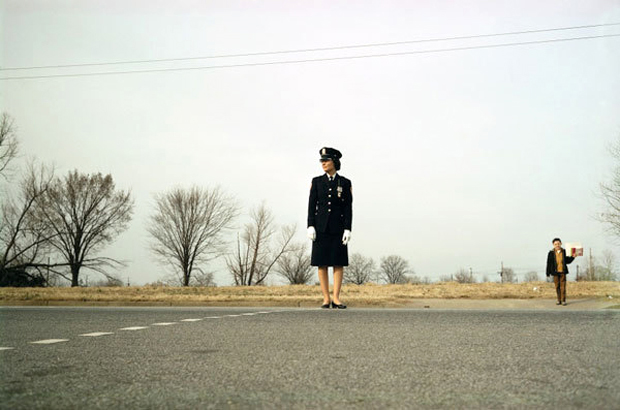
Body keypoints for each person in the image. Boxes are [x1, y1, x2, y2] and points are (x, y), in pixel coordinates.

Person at [307, 147, 353, 309]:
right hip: (320, 227)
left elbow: (348, 207)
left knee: (338, 262)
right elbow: (311, 205)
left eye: (326, 160)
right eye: (322, 161)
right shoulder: (317, 181)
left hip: (338, 227)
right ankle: (326, 298)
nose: (323, 163)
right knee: (322, 263)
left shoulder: (345, 183)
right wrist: (310, 225)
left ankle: (336, 298)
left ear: (335, 161)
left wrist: (348, 228)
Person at [546, 237, 576, 306]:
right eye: (555, 244)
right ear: (553, 245)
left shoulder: (565, 251)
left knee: (563, 287)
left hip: (563, 271)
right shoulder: (550, 253)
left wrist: (573, 257)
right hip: (555, 272)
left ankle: (563, 300)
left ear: (561, 243)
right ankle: (558, 300)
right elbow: (548, 263)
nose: (557, 245)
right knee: (557, 287)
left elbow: (568, 261)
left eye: (558, 244)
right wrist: (548, 272)